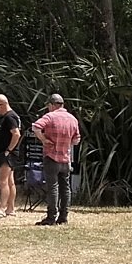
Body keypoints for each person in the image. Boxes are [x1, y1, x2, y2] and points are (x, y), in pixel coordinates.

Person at [30, 93, 81, 226]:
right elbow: (76, 140)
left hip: (52, 156)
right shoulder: (72, 119)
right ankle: (63, 217)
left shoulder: (50, 116)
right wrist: (66, 143)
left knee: (53, 187)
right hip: (66, 158)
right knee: (65, 188)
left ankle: (51, 216)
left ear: (52, 105)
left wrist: (43, 139)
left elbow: (35, 127)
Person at [0, 94, 23, 218]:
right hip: (11, 153)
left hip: (8, 154)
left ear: (2, 104)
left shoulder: (9, 117)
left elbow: (16, 134)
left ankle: (2, 208)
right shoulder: (14, 116)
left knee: (3, 181)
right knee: (10, 182)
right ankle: (11, 208)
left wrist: (8, 150)